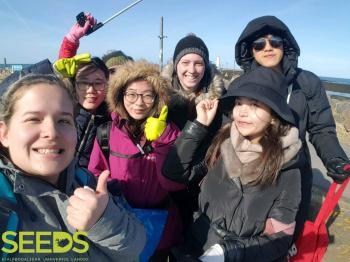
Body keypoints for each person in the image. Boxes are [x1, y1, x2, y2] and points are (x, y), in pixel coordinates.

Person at [163, 67, 302, 261]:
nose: (242, 112)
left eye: (254, 104)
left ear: (273, 116)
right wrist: (199, 125)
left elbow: (279, 239)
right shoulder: (222, 144)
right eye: (239, 103)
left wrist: (228, 252)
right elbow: (174, 174)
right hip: (194, 246)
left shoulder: (287, 168)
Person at [0, 74, 145, 261]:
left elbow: (136, 245)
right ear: (4, 133)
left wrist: (102, 221)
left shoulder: (86, 181)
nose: (51, 132)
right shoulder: (5, 205)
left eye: (64, 121)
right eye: (33, 119)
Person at [234, 15, 350, 239]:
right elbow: (229, 132)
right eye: (259, 44)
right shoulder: (241, 86)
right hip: (251, 175)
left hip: (295, 174)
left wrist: (335, 158)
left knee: (286, 240)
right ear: (250, 50)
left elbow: (321, 128)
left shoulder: (307, 83)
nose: (268, 48)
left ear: (285, 44)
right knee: (249, 238)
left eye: (275, 41)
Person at [88, 61, 185, 261]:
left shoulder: (171, 132)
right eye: (131, 94)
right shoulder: (106, 132)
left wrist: (163, 139)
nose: (139, 103)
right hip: (121, 222)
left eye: (148, 95)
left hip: (162, 225)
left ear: (157, 99)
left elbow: (174, 184)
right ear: (120, 96)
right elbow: (95, 173)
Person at [161, 33, 226, 231]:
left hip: (203, 190)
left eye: (198, 63)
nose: (191, 70)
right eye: (185, 62)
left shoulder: (220, 101)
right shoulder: (159, 97)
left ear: (206, 66)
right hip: (165, 189)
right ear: (175, 65)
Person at [55, 56, 111, 168]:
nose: (90, 90)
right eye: (83, 83)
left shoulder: (115, 121)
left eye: (98, 83)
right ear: (74, 85)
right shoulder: (60, 117)